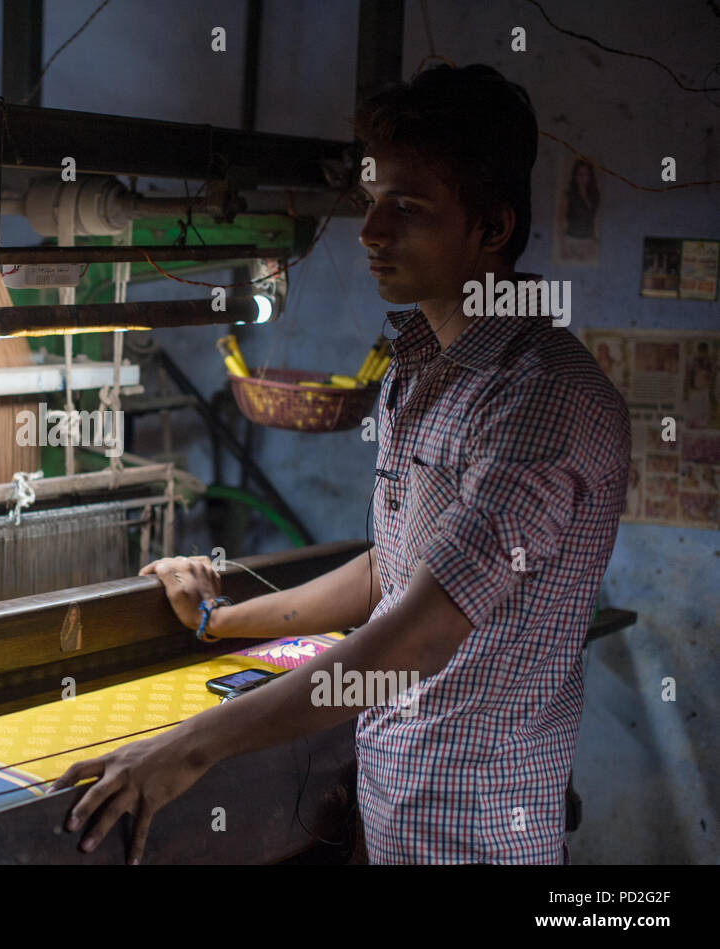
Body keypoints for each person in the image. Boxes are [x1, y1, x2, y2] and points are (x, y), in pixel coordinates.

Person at [50, 64, 631, 865]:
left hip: (478, 833)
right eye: (371, 202)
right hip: (395, 802)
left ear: (492, 229)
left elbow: (419, 632)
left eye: (409, 208)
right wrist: (219, 618)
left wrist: (188, 749)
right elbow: (394, 572)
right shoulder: (418, 368)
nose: (371, 232)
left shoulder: (541, 397)